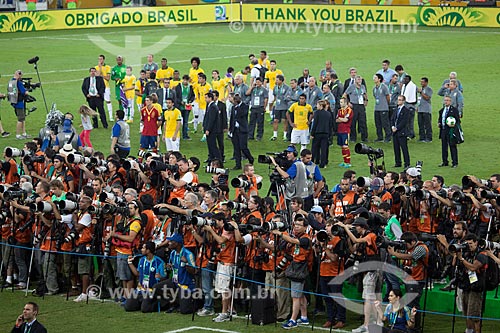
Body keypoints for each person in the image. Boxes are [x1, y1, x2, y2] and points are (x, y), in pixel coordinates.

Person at [453, 233, 487, 333]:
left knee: (475, 315)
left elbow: (473, 267)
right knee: (467, 313)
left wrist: (461, 259)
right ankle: (468, 331)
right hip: (466, 286)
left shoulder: (482, 255)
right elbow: (454, 264)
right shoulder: (466, 253)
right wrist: (457, 255)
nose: (469, 246)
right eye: (467, 244)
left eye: (471, 244)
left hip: (476, 288)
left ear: (476, 243)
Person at [124, 241, 167, 312]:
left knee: (145, 309)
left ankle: (160, 304)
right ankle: (142, 303)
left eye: (143, 248)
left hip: (151, 291)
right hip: (141, 290)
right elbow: (137, 274)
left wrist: (160, 277)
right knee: (128, 307)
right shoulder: (142, 260)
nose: (141, 249)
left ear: (148, 250)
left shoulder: (159, 262)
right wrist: (130, 263)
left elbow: (164, 277)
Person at [229, 94, 254, 170]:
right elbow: (232, 118)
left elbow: (242, 114)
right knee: (236, 148)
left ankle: (250, 158)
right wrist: (230, 129)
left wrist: (237, 107)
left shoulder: (244, 106)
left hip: (242, 130)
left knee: (243, 147)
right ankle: (238, 164)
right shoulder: (233, 107)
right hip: (235, 130)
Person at [343, 75, 368, 142]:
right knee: (353, 122)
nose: (360, 81)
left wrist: (366, 100)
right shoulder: (351, 87)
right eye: (358, 80)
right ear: (355, 80)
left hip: (361, 105)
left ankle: (364, 137)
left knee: (363, 121)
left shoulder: (362, 87)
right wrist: (348, 103)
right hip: (354, 105)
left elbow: (365, 94)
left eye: (361, 80)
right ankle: (353, 138)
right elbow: (344, 95)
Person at [438, 95, 461, 168]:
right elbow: (440, 119)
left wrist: (453, 124)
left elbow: (458, 121)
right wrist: (439, 123)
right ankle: (445, 161)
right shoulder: (441, 110)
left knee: (452, 147)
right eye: (445, 100)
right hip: (443, 131)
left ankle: (455, 162)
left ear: (450, 101)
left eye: (447, 100)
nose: (446, 102)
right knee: (444, 147)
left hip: (451, 131)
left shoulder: (454, 110)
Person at [8, 70, 30, 140]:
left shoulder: (12, 81)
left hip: (15, 102)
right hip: (20, 103)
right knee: (20, 119)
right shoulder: (19, 83)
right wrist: (28, 91)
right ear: (19, 75)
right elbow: (24, 92)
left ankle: (24, 133)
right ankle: (18, 135)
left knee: (22, 118)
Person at [310, 100, 332, 168]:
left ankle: (313, 161)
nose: (317, 106)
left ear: (321, 106)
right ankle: (323, 163)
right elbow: (330, 125)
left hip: (317, 133)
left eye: (318, 105)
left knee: (314, 148)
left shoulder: (317, 113)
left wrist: (312, 133)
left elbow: (315, 124)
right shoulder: (328, 114)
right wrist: (329, 134)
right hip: (325, 133)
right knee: (324, 149)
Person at [246, 77, 268, 141]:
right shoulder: (253, 89)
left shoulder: (264, 90)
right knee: (251, 122)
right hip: (253, 107)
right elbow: (247, 93)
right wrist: (252, 87)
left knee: (260, 122)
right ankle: (250, 135)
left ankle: (259, 136)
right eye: (256, 82)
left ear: (261, 82)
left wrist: (264, 107)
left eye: (259, 82)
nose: (257, 83)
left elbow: (266, 99)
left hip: (260, 107)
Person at [392, 95, 411, 168]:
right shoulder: (396, 109)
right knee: (396, 148)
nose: (398, 101)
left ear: (403, 101)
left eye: (400, 100)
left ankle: (407, 163)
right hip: (395, 132)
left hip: (402, 132)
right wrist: (393, 126)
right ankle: (398, 162)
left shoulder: (406, 110)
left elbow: (404, 122)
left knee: (404, 148)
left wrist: (397, 128)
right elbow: (392, 119)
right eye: (398, 99)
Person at [203, 92, 222, 161]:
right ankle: (211, 159)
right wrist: (204, 125)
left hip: (213, 130)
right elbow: (207, 117)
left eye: (206, 97)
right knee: (210, 145)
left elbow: (212, 119)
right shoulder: (209, 105)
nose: (205, 99)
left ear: (210, 98)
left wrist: (208, 129)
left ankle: (218, 159)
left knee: (213, 145)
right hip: (210, 129)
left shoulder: (213, 107)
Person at [373, 73, 391, 143]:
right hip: (377, 108)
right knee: (378, 124)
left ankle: (388, 137)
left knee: (385, 124)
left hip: (383, 108)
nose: (374, 79)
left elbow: (388, 97)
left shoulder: (384, 87)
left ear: (379, 79)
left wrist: (386, 104)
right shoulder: (374, 88)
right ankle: (379, 137)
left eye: (375, 78)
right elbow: (375, 96)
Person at [95, 54, 114, 121]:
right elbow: (97, 76)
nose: (99, 60)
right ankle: (101, 116)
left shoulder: (108, 67)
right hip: (99, 87)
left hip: (106, 87)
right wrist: (100, 68)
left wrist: (101, 75)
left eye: (101, 59)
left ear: (103, 59)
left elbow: (108, 78)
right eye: (99, 59)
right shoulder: (96, 67)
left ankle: (111, 116)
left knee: (108, 101)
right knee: (100, 102)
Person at [336, 97, 353, 168]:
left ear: (346, 103)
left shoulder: (349, 110)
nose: (340, 104)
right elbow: (336, 120)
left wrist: (341, 119)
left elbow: (346, 120)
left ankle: (348, 162)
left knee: (345, 146)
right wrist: (341, 119)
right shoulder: (339, 110)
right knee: (342, 146)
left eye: (342, 102)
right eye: (340, 102)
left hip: (346, 130)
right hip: (339, 130)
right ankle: (344, 161)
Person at [417, 77, 433, 143]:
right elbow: (419, 99)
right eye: (421, 82)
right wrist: (417, 106)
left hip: (426, 109)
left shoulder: (429, 89)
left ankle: (429, 138)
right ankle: (422, 137)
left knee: (427, 124)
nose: (421, 83)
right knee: (420, 124)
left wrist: (421, 92)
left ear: (426, 82)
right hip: (420, 109)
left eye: (423, 82)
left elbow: (427, 98)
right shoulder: (421, 89)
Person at [401, 75, 418, 140]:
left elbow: (412, 97)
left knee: (410, 121)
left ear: (409, 80)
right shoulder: (404, 85)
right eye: (404, 79)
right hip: (405, 104)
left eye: (406, 79)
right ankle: (408, 133)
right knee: (406, 121)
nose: (404, 80)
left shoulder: (412, 86)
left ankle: (411, 134)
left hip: (410, 105)